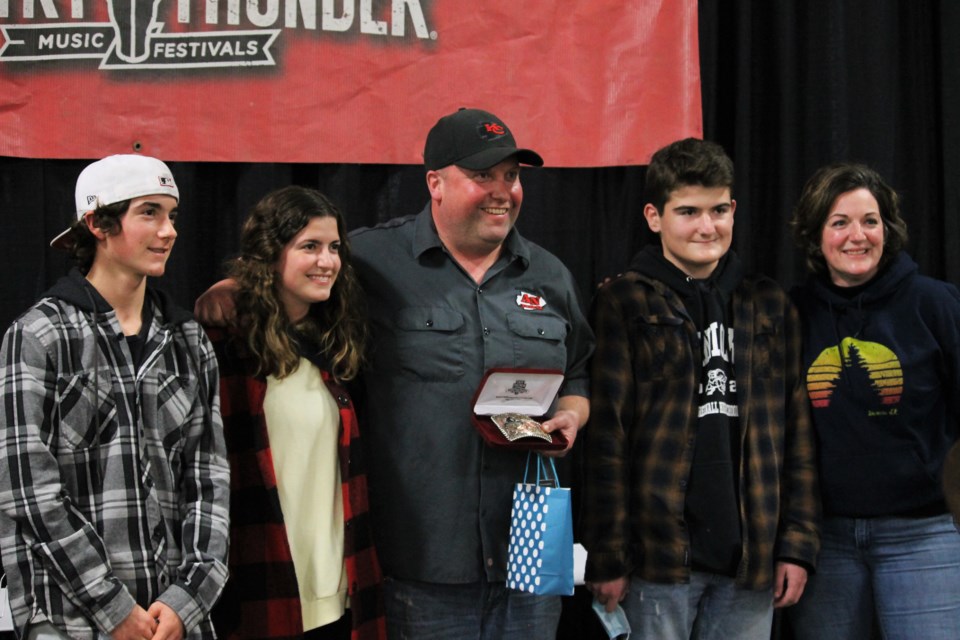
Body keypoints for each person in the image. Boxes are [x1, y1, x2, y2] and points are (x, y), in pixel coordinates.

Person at [196, 108, 594, 639]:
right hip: (420, 567)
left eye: (511, 176)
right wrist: (235, 288)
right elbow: (301, 271)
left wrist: (571, 412)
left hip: (529, 558)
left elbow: (582, 370)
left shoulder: (550, 274)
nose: (503, 191)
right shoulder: (374, 258)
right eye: (482, 176)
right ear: (435, 182)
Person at [580, 138, 820, 640]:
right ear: (654, 216)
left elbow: (797, 435)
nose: (706, 227)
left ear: (734, 211)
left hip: (749, 563)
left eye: (718, 210)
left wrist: (796, 544)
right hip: (657, 563)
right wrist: (609, 554)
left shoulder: (769, 302)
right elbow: (606, 441)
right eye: (687, 211)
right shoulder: (623, 300)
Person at [0, 154, 230, 639]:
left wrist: (188, 598)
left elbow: (210, 481)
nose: (168, 231)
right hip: (68, 622)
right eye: (149, 213)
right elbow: (28, 493)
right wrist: (111, 606)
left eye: (172, 215)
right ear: (98, 223)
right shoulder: (39, 336)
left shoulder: (187, 340)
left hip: (172, 622)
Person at [786, 163, 960, 640]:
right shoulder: (792, 314)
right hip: (825, 543)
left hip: (924, 536)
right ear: (815, 235)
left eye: (870, 220)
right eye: (839, 222)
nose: (856, 236)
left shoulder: (936, 305)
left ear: (888, 228)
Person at [206, 186, 385, 640]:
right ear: (270, 253)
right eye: (309, 246)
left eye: (334, 248)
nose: (327, 261)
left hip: (339, 594)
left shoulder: (336, 343)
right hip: (259, 589)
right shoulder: (224, 344)